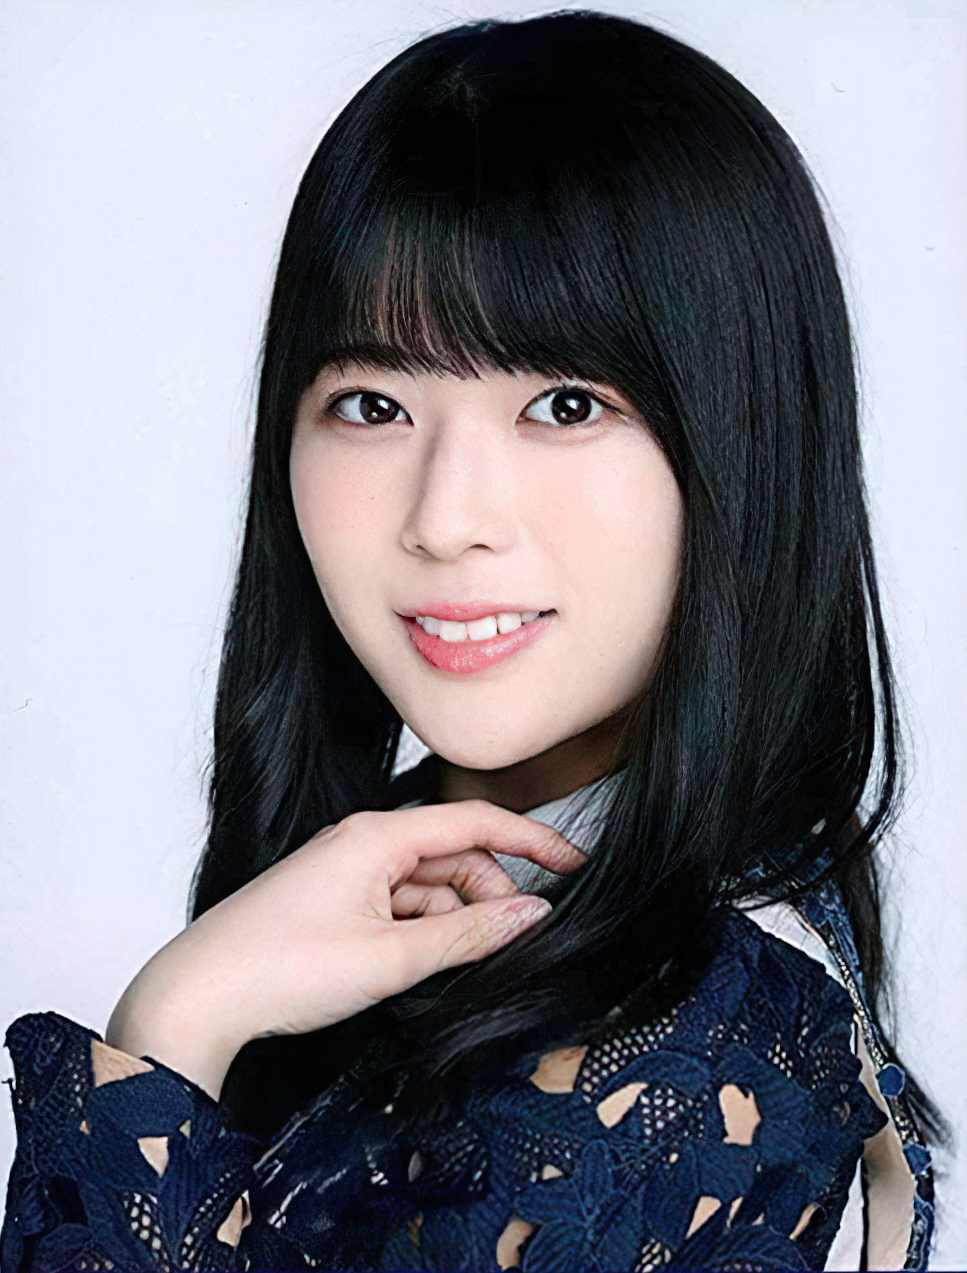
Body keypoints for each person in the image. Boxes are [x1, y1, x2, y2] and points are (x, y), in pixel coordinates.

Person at [1, 11, 941, 1271]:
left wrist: (175, 1027)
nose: (445, 520)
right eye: (371, 403)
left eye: (564, 403)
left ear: (744, 446)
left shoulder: (689, 1054)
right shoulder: (378, 901)